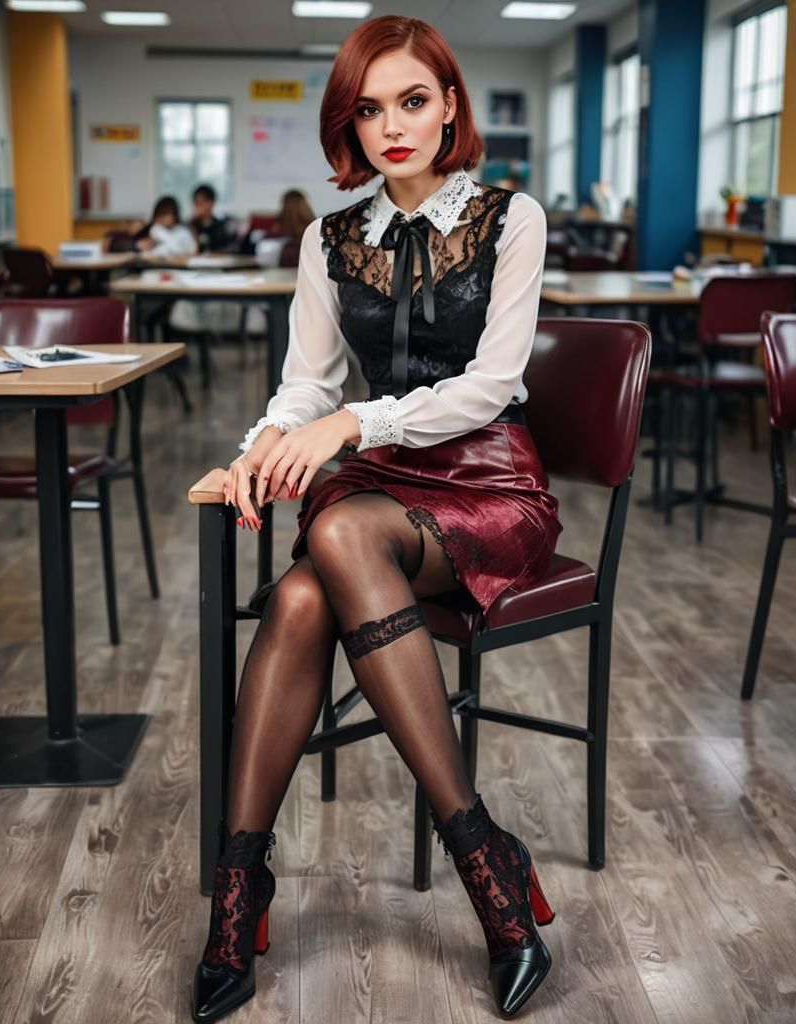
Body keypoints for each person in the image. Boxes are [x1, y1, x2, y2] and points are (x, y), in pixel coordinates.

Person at [192, 15, 560, 1023]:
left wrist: (358, 418)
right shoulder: (329, 237)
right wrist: (254, 454)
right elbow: (304, 384)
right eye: (369, 107)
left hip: (487, 476)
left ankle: (272, 885)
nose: (392, 125)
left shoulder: (510, 216)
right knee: (311, 583)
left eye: (412, 100)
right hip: (383, 479)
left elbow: (493, 384)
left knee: (331, 540)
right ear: (348, 122)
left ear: (449, 106)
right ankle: (264, 874)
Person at [131, 195, 197, 257]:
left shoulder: (181, 230)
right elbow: (136, 244)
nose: (164, 218)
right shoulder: (154, 229)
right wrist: (138, 245)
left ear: (175, 215)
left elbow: (190, 249)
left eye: (167, 214)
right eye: (162, 214)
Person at [189, 183, 236, 253]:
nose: (198, 207)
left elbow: (229, 247)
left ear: (211, 203)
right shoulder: (191, 226)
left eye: (201, 203)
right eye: (196, 203)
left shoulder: (221, 226)